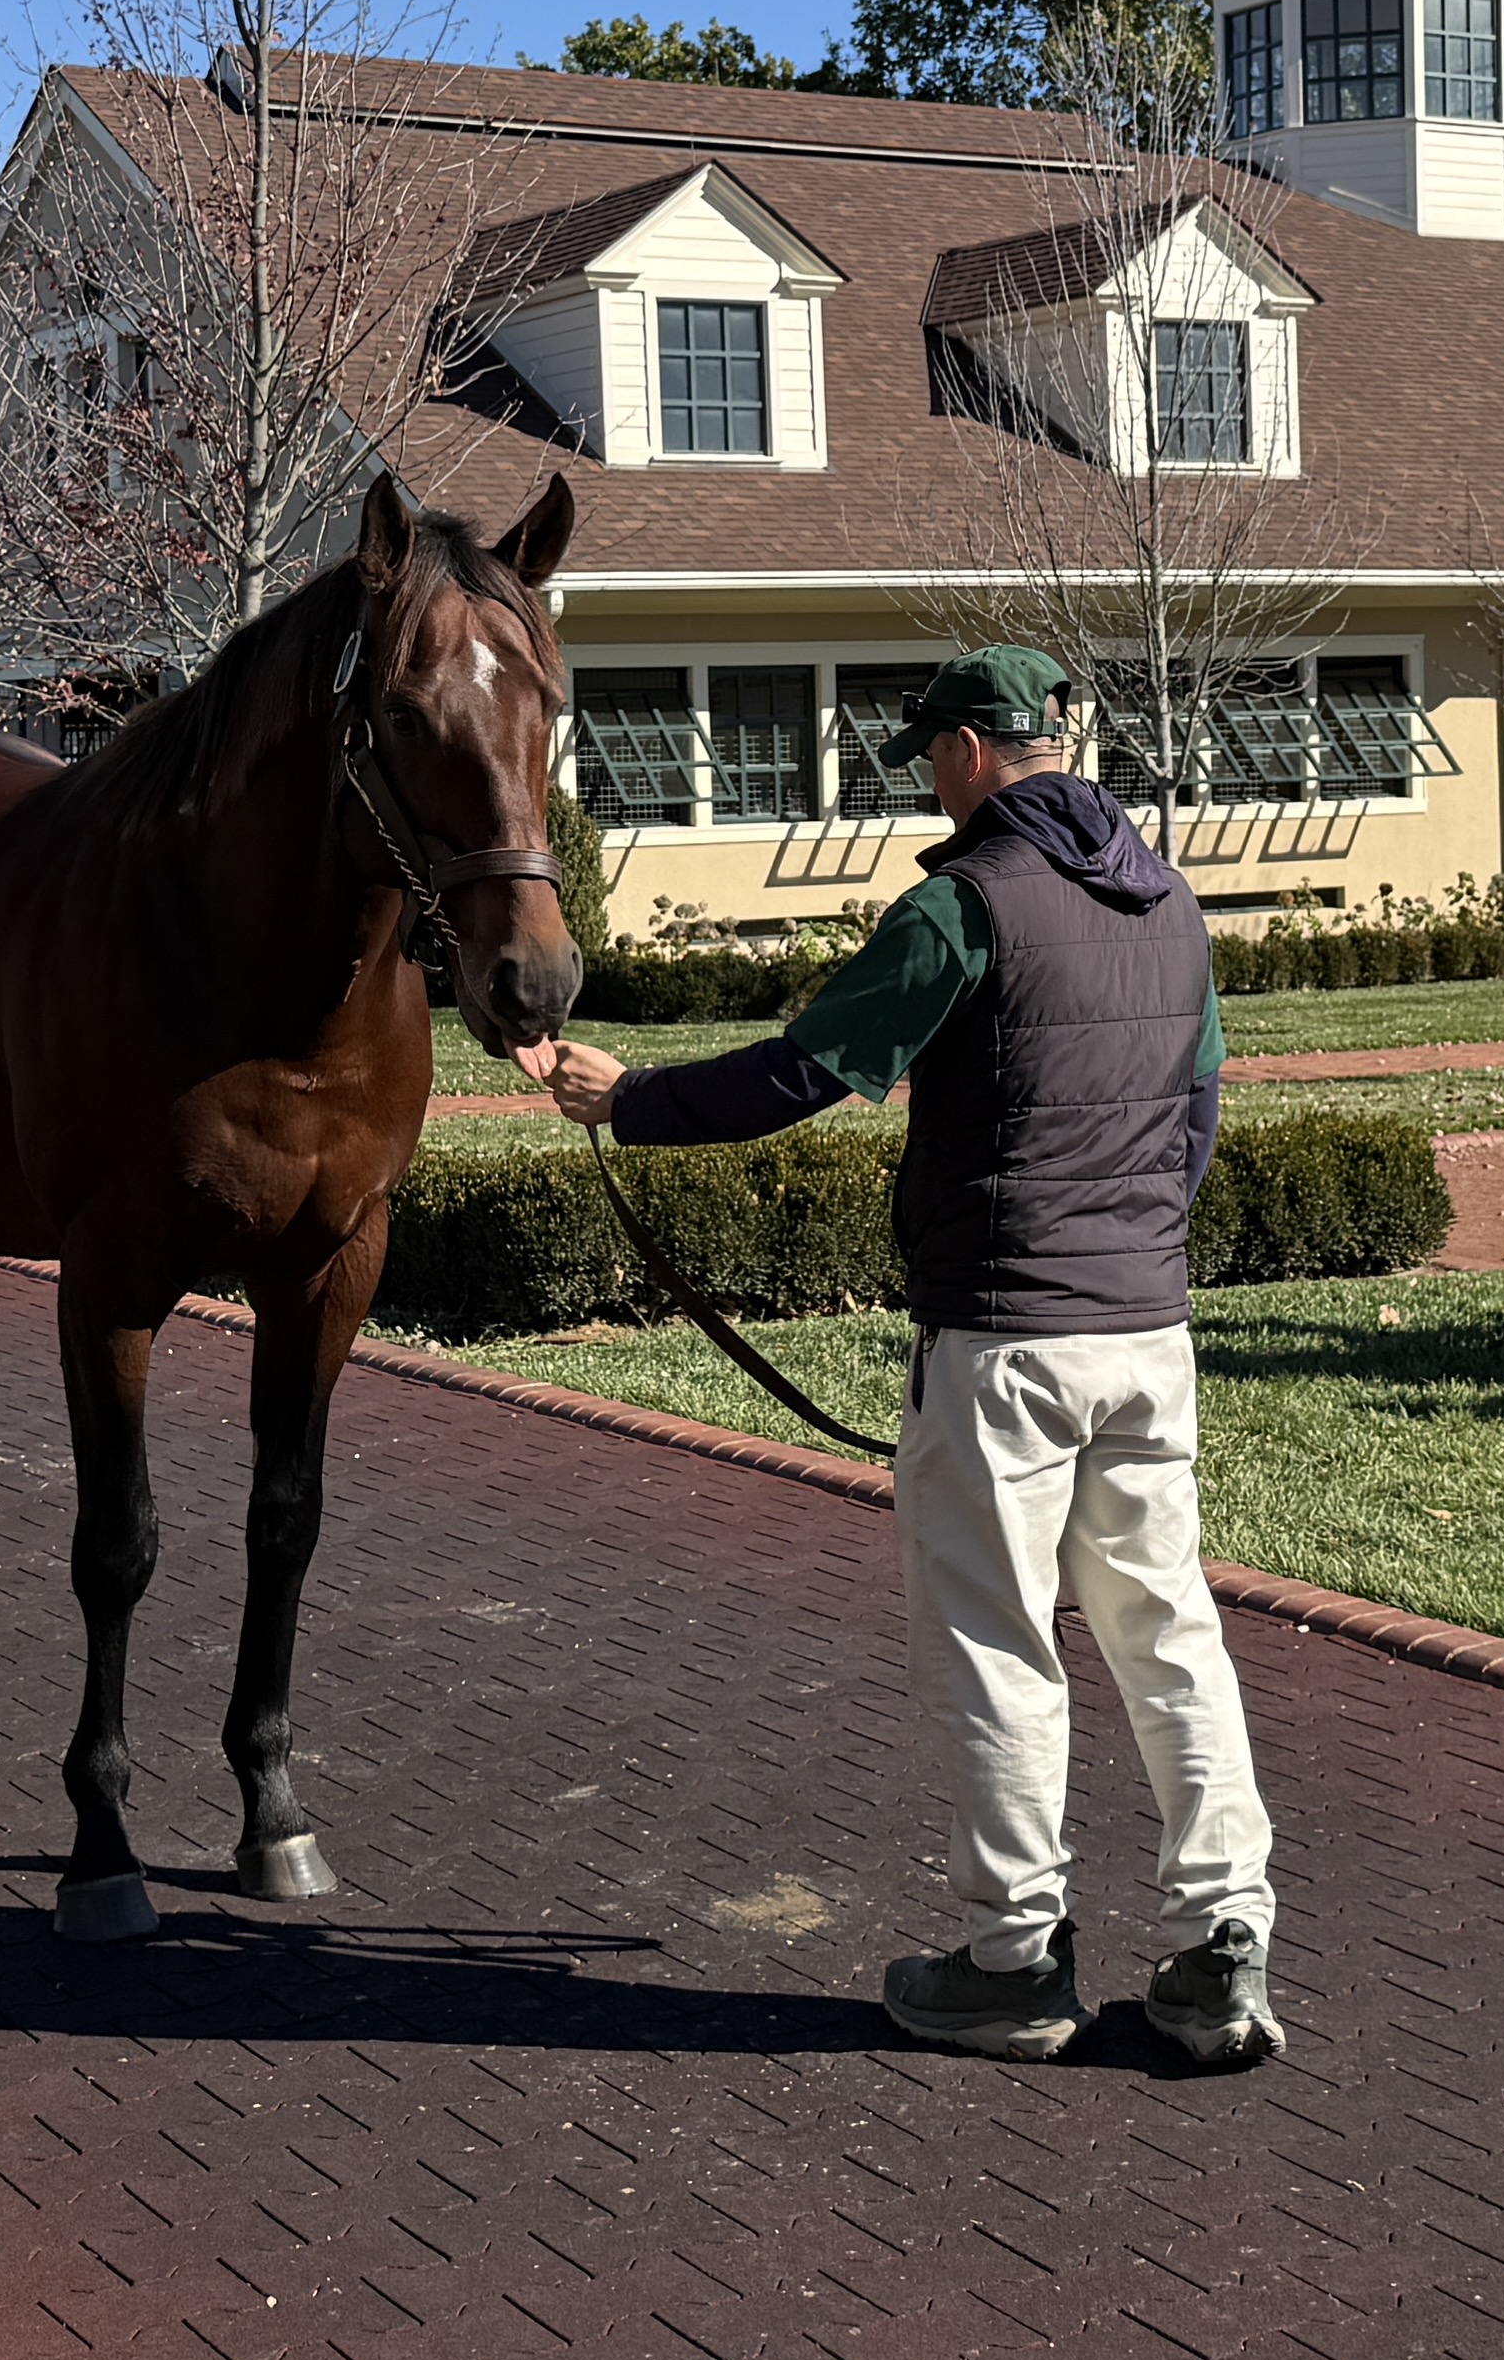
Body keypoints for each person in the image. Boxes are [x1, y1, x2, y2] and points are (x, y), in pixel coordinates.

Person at [534, 647, 1280, 2068]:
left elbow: (803, 1070)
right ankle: (1221, 1947)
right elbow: (1197, 1118)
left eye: (930, 750)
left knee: (1003, 1648)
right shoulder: (1173, 901)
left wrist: (626, 1103)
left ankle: (1011, 1960)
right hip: (1148, 1331)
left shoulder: (961, 906)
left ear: (969, 753)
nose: (925, 774)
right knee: (1169, 1635)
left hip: (1004, 1338)